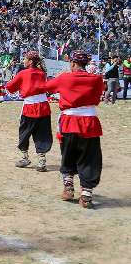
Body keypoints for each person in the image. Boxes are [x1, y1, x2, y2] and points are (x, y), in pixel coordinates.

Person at [37, 51, 104, 209]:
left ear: (73, 63)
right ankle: (86, 194)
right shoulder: (97, 79)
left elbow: (45, 87)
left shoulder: (65, 77)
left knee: (68, 153)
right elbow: (97, 97)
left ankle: (68, 187)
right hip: (90, 122)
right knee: (89, 157)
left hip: (69, 122)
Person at [5, 51, 52, 172]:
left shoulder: (23, 73)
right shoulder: (42, 73)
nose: (23, 61)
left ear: (30, 61)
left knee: (24, 132)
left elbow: (10, 87)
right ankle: (42, 161)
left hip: (30, 107)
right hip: (43, 106)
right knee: (42, 133)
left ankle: (25, 158)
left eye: (25, 59)